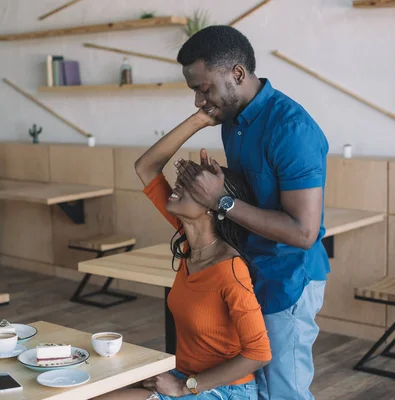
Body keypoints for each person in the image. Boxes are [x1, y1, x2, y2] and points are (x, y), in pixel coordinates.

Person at [173, 25, 330, 400]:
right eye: (194, 90)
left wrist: (220, 200)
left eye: (204, 88)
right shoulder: (234, 121)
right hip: (252, 269)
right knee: (250, 390)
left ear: (237, 74)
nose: (198, 101)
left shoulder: (292, 129)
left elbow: (303, 232)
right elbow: (254, 193)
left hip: (288, 278)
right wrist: (217, 181)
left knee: (283, 391)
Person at [94, 109, 271, 400]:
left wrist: (182, 387)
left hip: (226, 391)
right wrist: (200, 119)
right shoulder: (191, 241)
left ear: (213, 207)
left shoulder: (230, 269)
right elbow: (146, 167)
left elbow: (259, 353)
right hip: (185, 375)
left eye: (191, 187)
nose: (178, 186)